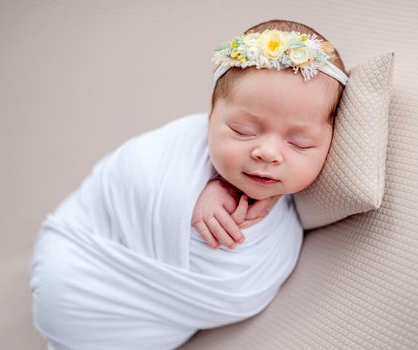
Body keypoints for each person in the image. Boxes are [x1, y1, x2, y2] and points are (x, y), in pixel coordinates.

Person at [29, 18, 348, 350]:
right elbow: (132, 176)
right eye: (242, 130)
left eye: (299, 143)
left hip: (146, 324)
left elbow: (235, 289)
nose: (266, 152)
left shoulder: (288, 216)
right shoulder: (175, 150)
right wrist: (187, 198)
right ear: (211, 115)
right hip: (80, 270)